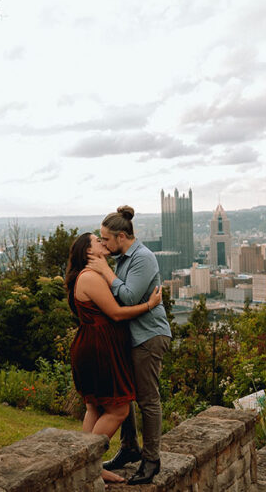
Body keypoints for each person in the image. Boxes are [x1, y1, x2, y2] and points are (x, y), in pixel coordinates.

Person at [65, 232, 163, 485]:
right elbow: (117, 313)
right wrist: (150, 305)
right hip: (99, 350)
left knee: (95, 406)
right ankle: (87, 463)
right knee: (118, 409)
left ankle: (88, 466)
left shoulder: (92, 274)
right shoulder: (90, 277)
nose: (103, 243)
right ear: (88, 252)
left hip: (95, 346)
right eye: (98, 241)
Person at [87, 205, 172, 486]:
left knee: (148, 399)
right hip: (131, 337)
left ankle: (151, 459)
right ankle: (129, 448)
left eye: (106, 239)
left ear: (121, 236)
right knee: (125, 393)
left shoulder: (143, 258)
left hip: (148, 336)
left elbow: (128, 297)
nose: (103, 244)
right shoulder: (123, 258)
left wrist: (104, 270)